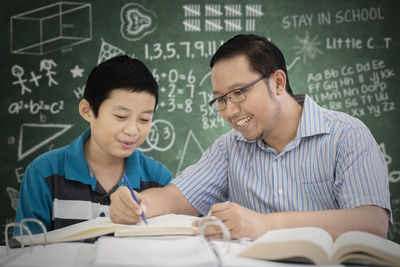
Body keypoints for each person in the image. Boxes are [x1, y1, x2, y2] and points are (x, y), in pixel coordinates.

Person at [109, 35, 391, 240]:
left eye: (239, 92)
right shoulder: (229, 148)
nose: (230, 111)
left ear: (278, 82)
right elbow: (175, 197)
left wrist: (266, 225)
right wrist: (137, 204)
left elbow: (373, 222)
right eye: (220, 100)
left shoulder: (346, 134)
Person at [14, 55, 172, 235]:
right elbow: (27, 252)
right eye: (121, 116)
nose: (132, 130)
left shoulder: (159, 179)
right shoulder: (43, 173)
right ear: (87, 111)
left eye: (144, 119)